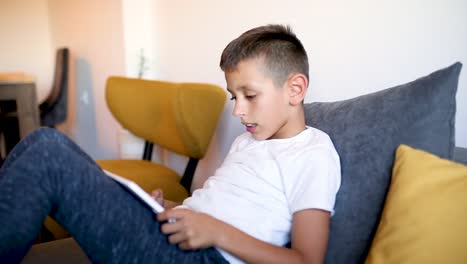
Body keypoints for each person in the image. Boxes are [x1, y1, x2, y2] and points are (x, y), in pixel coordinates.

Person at [0, 24, 340, 264]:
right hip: (174, 236)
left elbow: (307, 260)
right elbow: (215, 205)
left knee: (47, 149)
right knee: (44, 143)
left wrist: (216, 233)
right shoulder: (247, 141)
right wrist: (170, 207)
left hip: (206, 257)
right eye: (233, 96)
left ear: (295, 89)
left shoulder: (312, 153)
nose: (237, 110)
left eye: (249, 95)